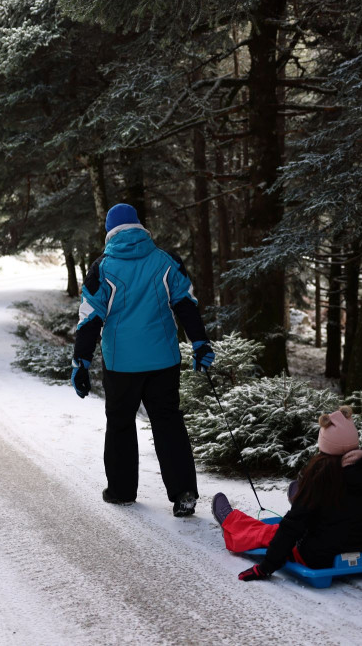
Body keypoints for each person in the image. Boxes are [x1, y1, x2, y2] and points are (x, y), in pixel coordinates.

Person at [71, 203, 215, 517]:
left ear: (110, 231)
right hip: (163, 359)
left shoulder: (103, 268)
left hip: (121, 364)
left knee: (121, 424)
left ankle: (121, 491)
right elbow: (186, 304)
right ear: (139, 226)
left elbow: (89, 318)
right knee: (168, 422)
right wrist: (200, 342)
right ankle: (184, 492)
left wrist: (81, 361)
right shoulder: (166, 261)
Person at [211, 405, 362, 580]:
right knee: (337, 514)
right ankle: (306, 501)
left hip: (318, 558)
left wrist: (265, 568)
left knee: (271, 532)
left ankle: (231, 522)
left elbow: (290, 529)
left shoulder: (322, 476)